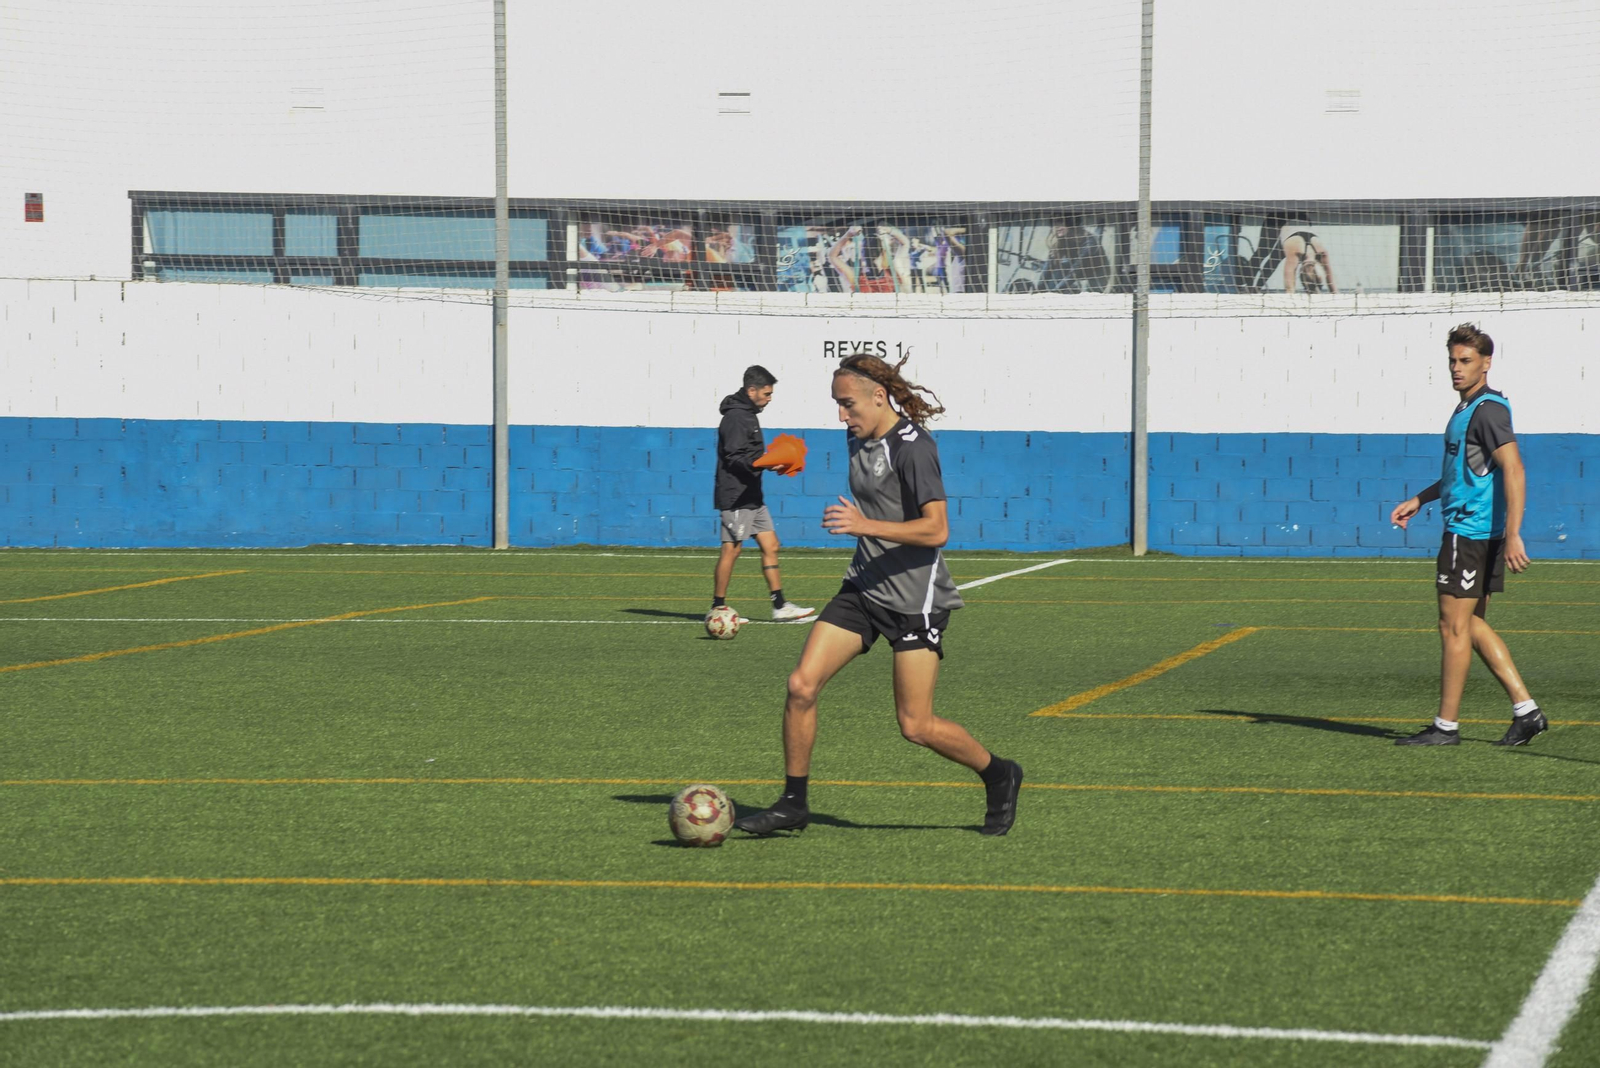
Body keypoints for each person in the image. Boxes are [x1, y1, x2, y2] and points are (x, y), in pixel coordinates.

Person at [734, 353, 1024, 837]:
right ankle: (793, 803)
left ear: (878, 396)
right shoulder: (857, 436)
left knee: (915, 725)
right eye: (837, 405)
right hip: (864, 586)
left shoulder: (915, 448)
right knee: (801, 685)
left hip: (915, 600)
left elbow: (938, 529)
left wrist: (864, 525)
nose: (841, 416)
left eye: (848, 405)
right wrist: (791, 459)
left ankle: (999, 773)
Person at [1390, 323, 1545, 746]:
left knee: (1452, 626)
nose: (1457, 369)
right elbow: (1464, 473)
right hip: (1475, 533)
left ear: (1486, 363)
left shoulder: (1488, 410)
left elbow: (1514, 468)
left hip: (1470, 535)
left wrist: (1514, 533)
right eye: (1453, 361)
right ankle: (1526, 711)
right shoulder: (1466, 410)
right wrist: (1422, 499)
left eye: (1466, 361)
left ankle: (1446, 728)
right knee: (1470, 625)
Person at [712, 366, 815, 624]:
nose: (770, 398)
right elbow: (734, 458)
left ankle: (780, 606)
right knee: (731, 551)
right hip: (736, 495)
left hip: (752, 495)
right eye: (767, 394)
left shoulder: (748, 415)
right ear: (751, 390)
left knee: (771, 545)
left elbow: (751, 456)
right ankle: (718, 607)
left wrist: (771, 462)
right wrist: (766, 463)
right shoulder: (736, 418)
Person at [1278, 222, 1337, 294]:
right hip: (1284, 221)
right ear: (1301, 271)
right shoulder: (1296, 250)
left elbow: (1332, 284)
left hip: (1304, 221)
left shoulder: (1321, 251)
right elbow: (1289, 289)